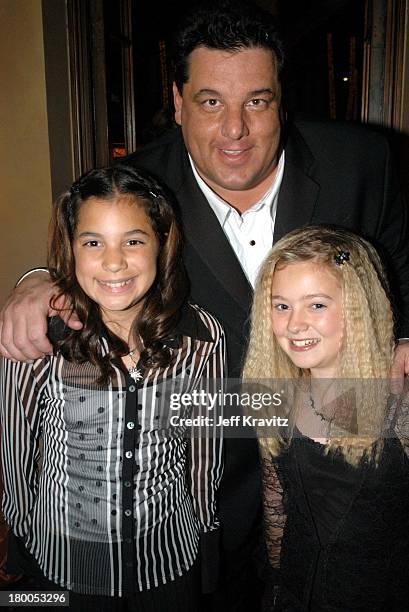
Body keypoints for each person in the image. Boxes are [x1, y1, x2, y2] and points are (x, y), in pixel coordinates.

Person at [1, 1, 409, 609]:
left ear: (281, 100)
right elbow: (94, 261)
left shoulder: (362, 162)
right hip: (193, 478)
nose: (235, 129)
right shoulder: (140, 186)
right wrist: (37, 278)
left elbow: (402, 266)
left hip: (337, 449)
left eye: (257, 101)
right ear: (178, 100)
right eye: (212, 101)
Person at [0, 165, 226, 611]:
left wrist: (205, 530)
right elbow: (15, 444)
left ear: (162, 245)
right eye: (92, 242)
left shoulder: (201, 337)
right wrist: (23, 530)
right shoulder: (38, 336)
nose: (114, 261)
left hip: (166, 556)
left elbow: (204, 452)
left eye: (134, 240)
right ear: (70, 249)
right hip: (66, 558)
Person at [243, 225, 409, 611]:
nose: (294, 324)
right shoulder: (277, 400)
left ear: (358, 306)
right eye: (281, 305)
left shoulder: (400, 406)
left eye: (316, 304)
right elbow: (278, 510)